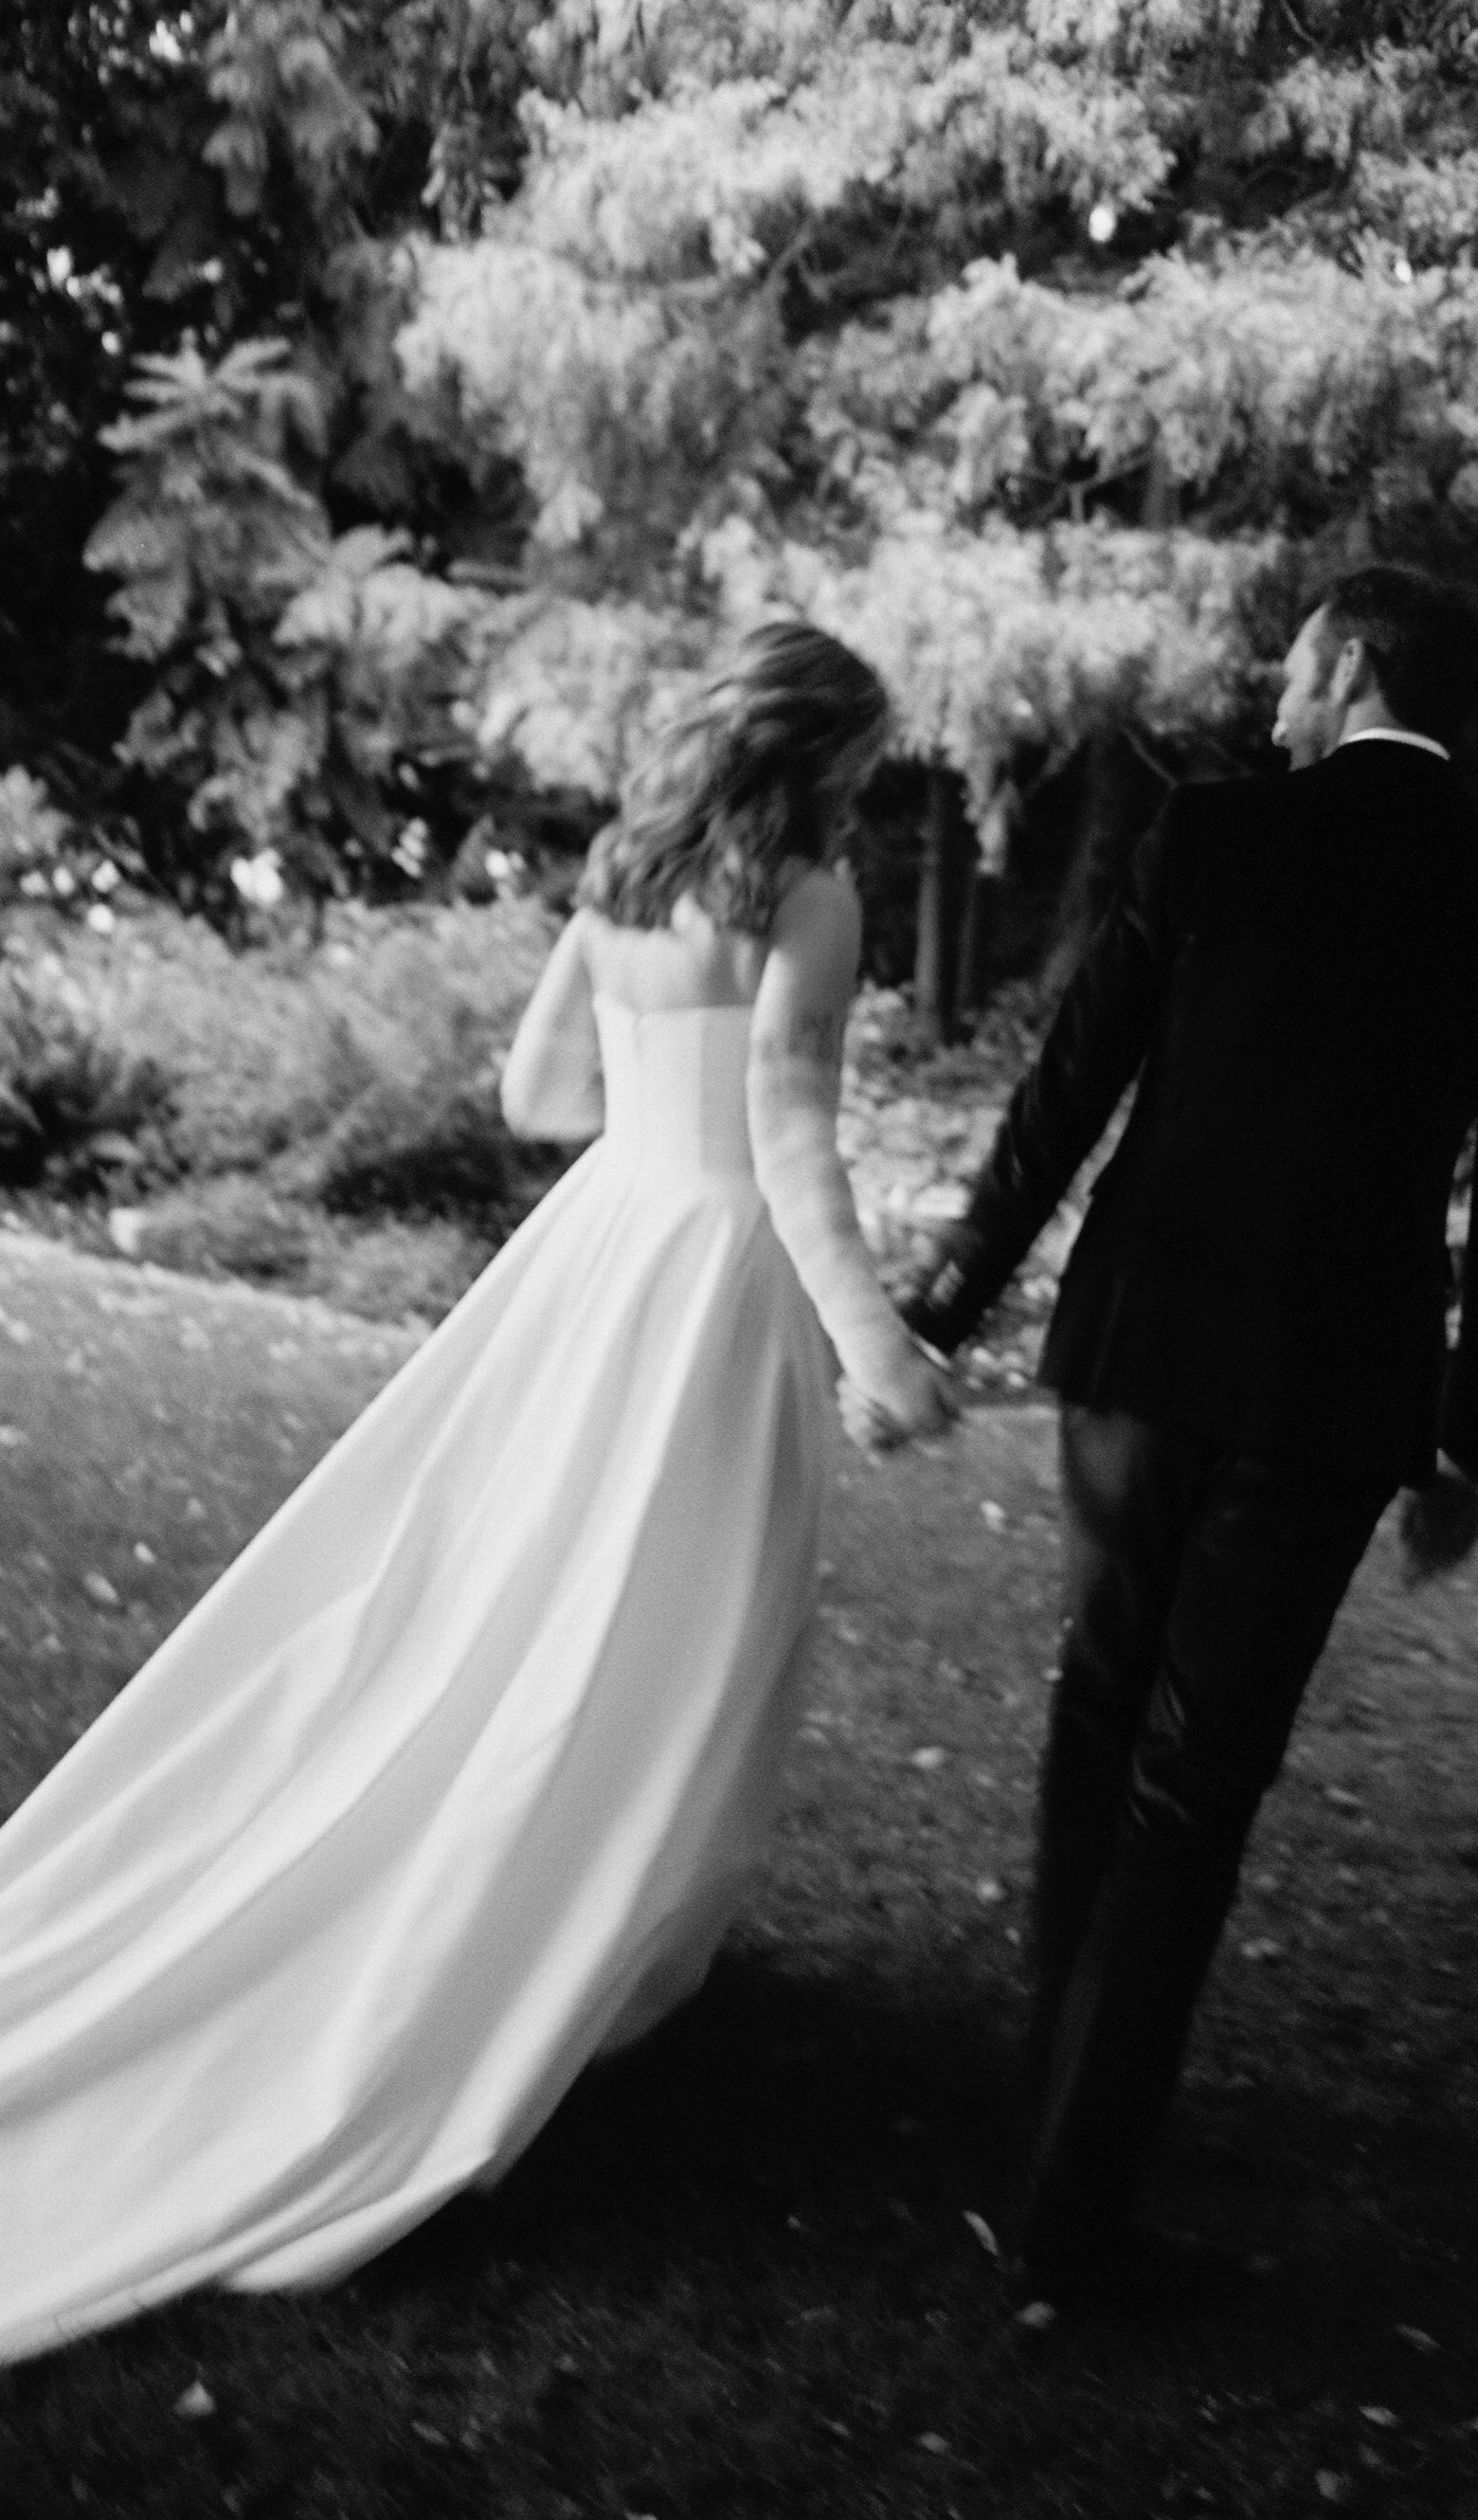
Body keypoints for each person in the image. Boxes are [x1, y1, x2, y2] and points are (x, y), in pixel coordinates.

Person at [0, 619, 952, 2366]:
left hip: (602, 1250)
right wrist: (879, 1350)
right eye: (866, 753)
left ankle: (562, 1899)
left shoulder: (622, 875)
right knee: (695, 1616)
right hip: (715, 1276)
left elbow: (535, 1094)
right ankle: (587, 1942)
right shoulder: (808, 899)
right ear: (818, 754)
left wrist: (650, 1119)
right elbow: (792, 1133)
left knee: (545, 1579)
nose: (872, 781)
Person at [899, 564, 1478, 2298]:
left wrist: (953, 1295)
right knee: (1194, 1783)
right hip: (1336, 1396)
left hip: (1139, 1353)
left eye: (1290, 668)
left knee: (1099, 1708)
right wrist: (1470, 1438)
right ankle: (1073, 2194)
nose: (1274, 700)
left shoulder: (1210, 835)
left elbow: (1071, 1079)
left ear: (1347, 667)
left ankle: (1048, 2114)